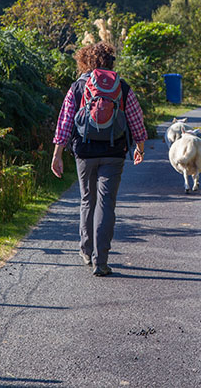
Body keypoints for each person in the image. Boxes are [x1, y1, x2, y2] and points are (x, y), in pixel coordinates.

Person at [51, 42, 146, 276]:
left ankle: (86, 250)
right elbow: (136, 119)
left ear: (85, 61)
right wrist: (140, 147)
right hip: (114, 152)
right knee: (106, 203)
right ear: (110, 62)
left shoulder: (78, 86)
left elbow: (65, 122)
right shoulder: (121, 86)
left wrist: (57, 154)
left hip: (84, 151)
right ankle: (101, 261)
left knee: (87, 200)